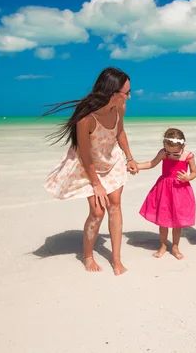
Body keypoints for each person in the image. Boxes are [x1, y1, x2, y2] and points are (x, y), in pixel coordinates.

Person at [42, 67, 138, 276]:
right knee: (97, 211)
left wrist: (129, 157)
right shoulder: (86, 117)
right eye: (126, 92)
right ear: (113, 92)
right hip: (88, 166)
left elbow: (119, 132)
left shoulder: (119, 108)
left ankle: (116, 259)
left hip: (111, 161)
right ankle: (88, 255)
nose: (129, 96)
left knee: (115, 206)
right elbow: (84, 154)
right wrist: (96, 184)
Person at [137, 128, 196, 260]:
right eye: (168, 152)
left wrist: (188, 177)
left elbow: (194, 173)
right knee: (163, 220)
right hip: (164, 189)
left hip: (180, 190)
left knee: (177, 221)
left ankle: (175, 246)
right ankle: (163, 245)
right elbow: (151, 164)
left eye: (175, 153)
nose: (171, 155)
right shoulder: (163, 153)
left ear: (183, 146)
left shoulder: (188, 155)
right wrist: (137, 166)